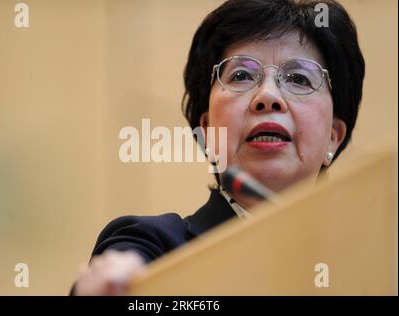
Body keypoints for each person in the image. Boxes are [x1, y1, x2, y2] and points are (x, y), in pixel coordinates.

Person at [71, 0, 365, 295]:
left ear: (333, 136)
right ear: (208, 131)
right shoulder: (155, 247)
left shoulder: (366, 263)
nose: (268, 96)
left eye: (299, 78)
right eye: (241, 75)